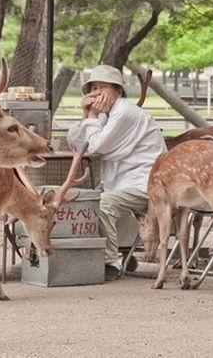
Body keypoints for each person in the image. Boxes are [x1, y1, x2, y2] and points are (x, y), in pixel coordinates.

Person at [67, 65, 166, 281]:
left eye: (102, 88)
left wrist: (92, 115)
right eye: (92, 88)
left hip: (147, 182)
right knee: (88, 200)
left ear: (118, 91)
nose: (96, 93)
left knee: (102, 204)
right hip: (123, 182)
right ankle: (120, 254)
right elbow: (76, 143)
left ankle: (111, 262)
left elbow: (96, 147)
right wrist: (87, 115)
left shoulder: (124, 113)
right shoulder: (105, 116)